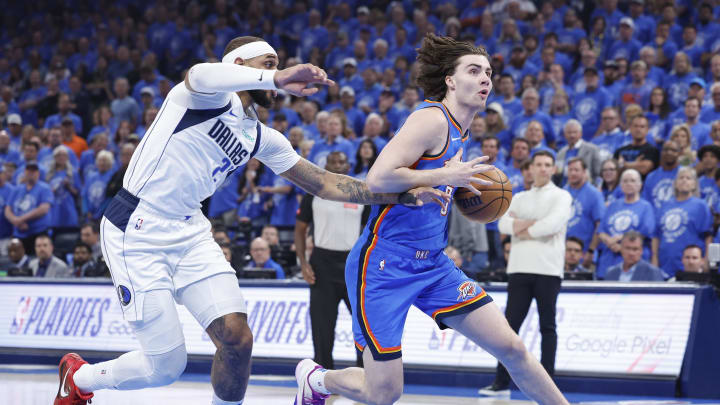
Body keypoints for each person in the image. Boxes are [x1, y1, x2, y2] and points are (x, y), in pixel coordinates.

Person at [55, 36, 444, 405]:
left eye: (277, 67)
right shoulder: (198, 97)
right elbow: (200, 73)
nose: (278, 74)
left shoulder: (260, 137)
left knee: (237, 339)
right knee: (165, 367)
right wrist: (277, 76)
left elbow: (325, 184)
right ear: (239, 66)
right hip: (135, 228)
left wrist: (402, 195)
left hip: (191, 231)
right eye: (269, 63)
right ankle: (79, 378)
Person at [295, 35, 569, 405]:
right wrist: (441, 177)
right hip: (384, 265)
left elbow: (425, 187)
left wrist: (446, 186)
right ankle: (319, 379)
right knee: (384, 394)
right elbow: (377, 179)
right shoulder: (430, 119)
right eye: (474, 71)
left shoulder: (461, 128)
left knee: (513, 348)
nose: (485, 78)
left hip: (434, 265)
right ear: (451, 81)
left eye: (488, 72)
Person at [484, 151, 572, 396]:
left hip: (548, 270)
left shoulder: (562, 196)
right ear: (530, 169)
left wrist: (520, 226)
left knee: (548, 327)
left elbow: (552, 225)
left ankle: (549, 383)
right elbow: (502, 224)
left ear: (553, 169)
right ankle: (501, 381)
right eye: (539, 165)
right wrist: (534, 224)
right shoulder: (519, 197)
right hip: (520, 269)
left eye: (547, 165)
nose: (543, 169)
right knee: (509, 329)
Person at [295, 151, 367, 370]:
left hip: (352, 265)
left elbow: (371, 230)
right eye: (332, 162)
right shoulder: (313, 193)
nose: (337, 165)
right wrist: (303, 263)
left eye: (341, 161)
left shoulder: (360, 193)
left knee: (362, 325)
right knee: (322, 327)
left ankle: (366, 376)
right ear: (325, 165)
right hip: (321, 264)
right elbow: (300, 229)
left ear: (348, 165)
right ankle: (323, 379)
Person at [652, 167, 712, 278]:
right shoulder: (664, 205)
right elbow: (656, 236)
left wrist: (706, 260)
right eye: (681, 178)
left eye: (688, 178)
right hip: (665, 265)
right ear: (675, 183)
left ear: (694, 184)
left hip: (690, 266)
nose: (684, 180)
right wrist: (654, 259)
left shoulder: (700, 206)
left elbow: (708, 236)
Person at [596, 169, 656, 279]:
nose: (629, 184)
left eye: (633, 181)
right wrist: (609, 242)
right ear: (620, 185)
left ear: (640, 185)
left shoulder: (646, 207)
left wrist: (622, 245)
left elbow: (644, 232)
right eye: (625, 181)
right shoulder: (613, 205)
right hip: (608, 259)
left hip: (633, 263)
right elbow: (601, 231)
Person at [4, 162, 53, 255]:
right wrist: (15, 221)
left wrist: (20, 219)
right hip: (18, 233)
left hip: (38, 233)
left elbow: (43, 209)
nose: (31, 173)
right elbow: (7, 209)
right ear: (24, 172)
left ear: (38, 173)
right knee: (16, 260)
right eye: (28, 170)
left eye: (33, 171)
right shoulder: (17, 189)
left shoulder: (44, 188)